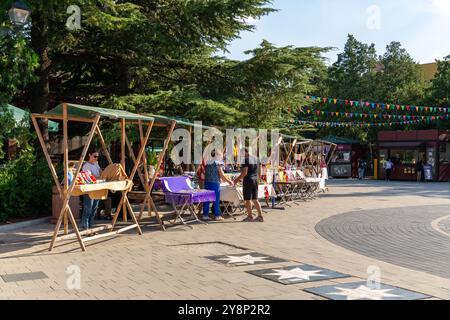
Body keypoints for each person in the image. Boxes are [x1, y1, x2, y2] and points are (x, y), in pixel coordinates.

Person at [200, 151, 233, 221]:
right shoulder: (218, 163)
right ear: (217, 155)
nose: (221, 157)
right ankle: (217, 215)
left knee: (207, 199)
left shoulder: (208, 162)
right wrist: (229, 181)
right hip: (215, 183)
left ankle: (205, 215)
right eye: (220, 155)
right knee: (216, 200)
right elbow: (222, 175)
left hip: (207, 183)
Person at [233, 148, 264, 222]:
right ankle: (260, 216)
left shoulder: (245, 159)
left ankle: (250, 216)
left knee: (247, 200)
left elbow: (245, 172)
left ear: (245, 152)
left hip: (248, 180)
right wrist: (258, 179)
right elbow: (260, 171)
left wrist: (236, 180)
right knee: (255, 199)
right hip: (255, 180)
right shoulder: (257, 159)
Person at [81, 149, 102, 230]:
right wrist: (100, 177)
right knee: (88, 209)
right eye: (95, 156)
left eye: (97, 157)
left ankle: (90, 226)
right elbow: (90, 178)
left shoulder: (96, 164)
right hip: (89, 189)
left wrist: (101, 176)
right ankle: (85, 227)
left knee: (94, 209)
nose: (96, 158)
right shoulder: (86, 166)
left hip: (96, 188)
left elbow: (101, 172)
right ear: (89, 155)